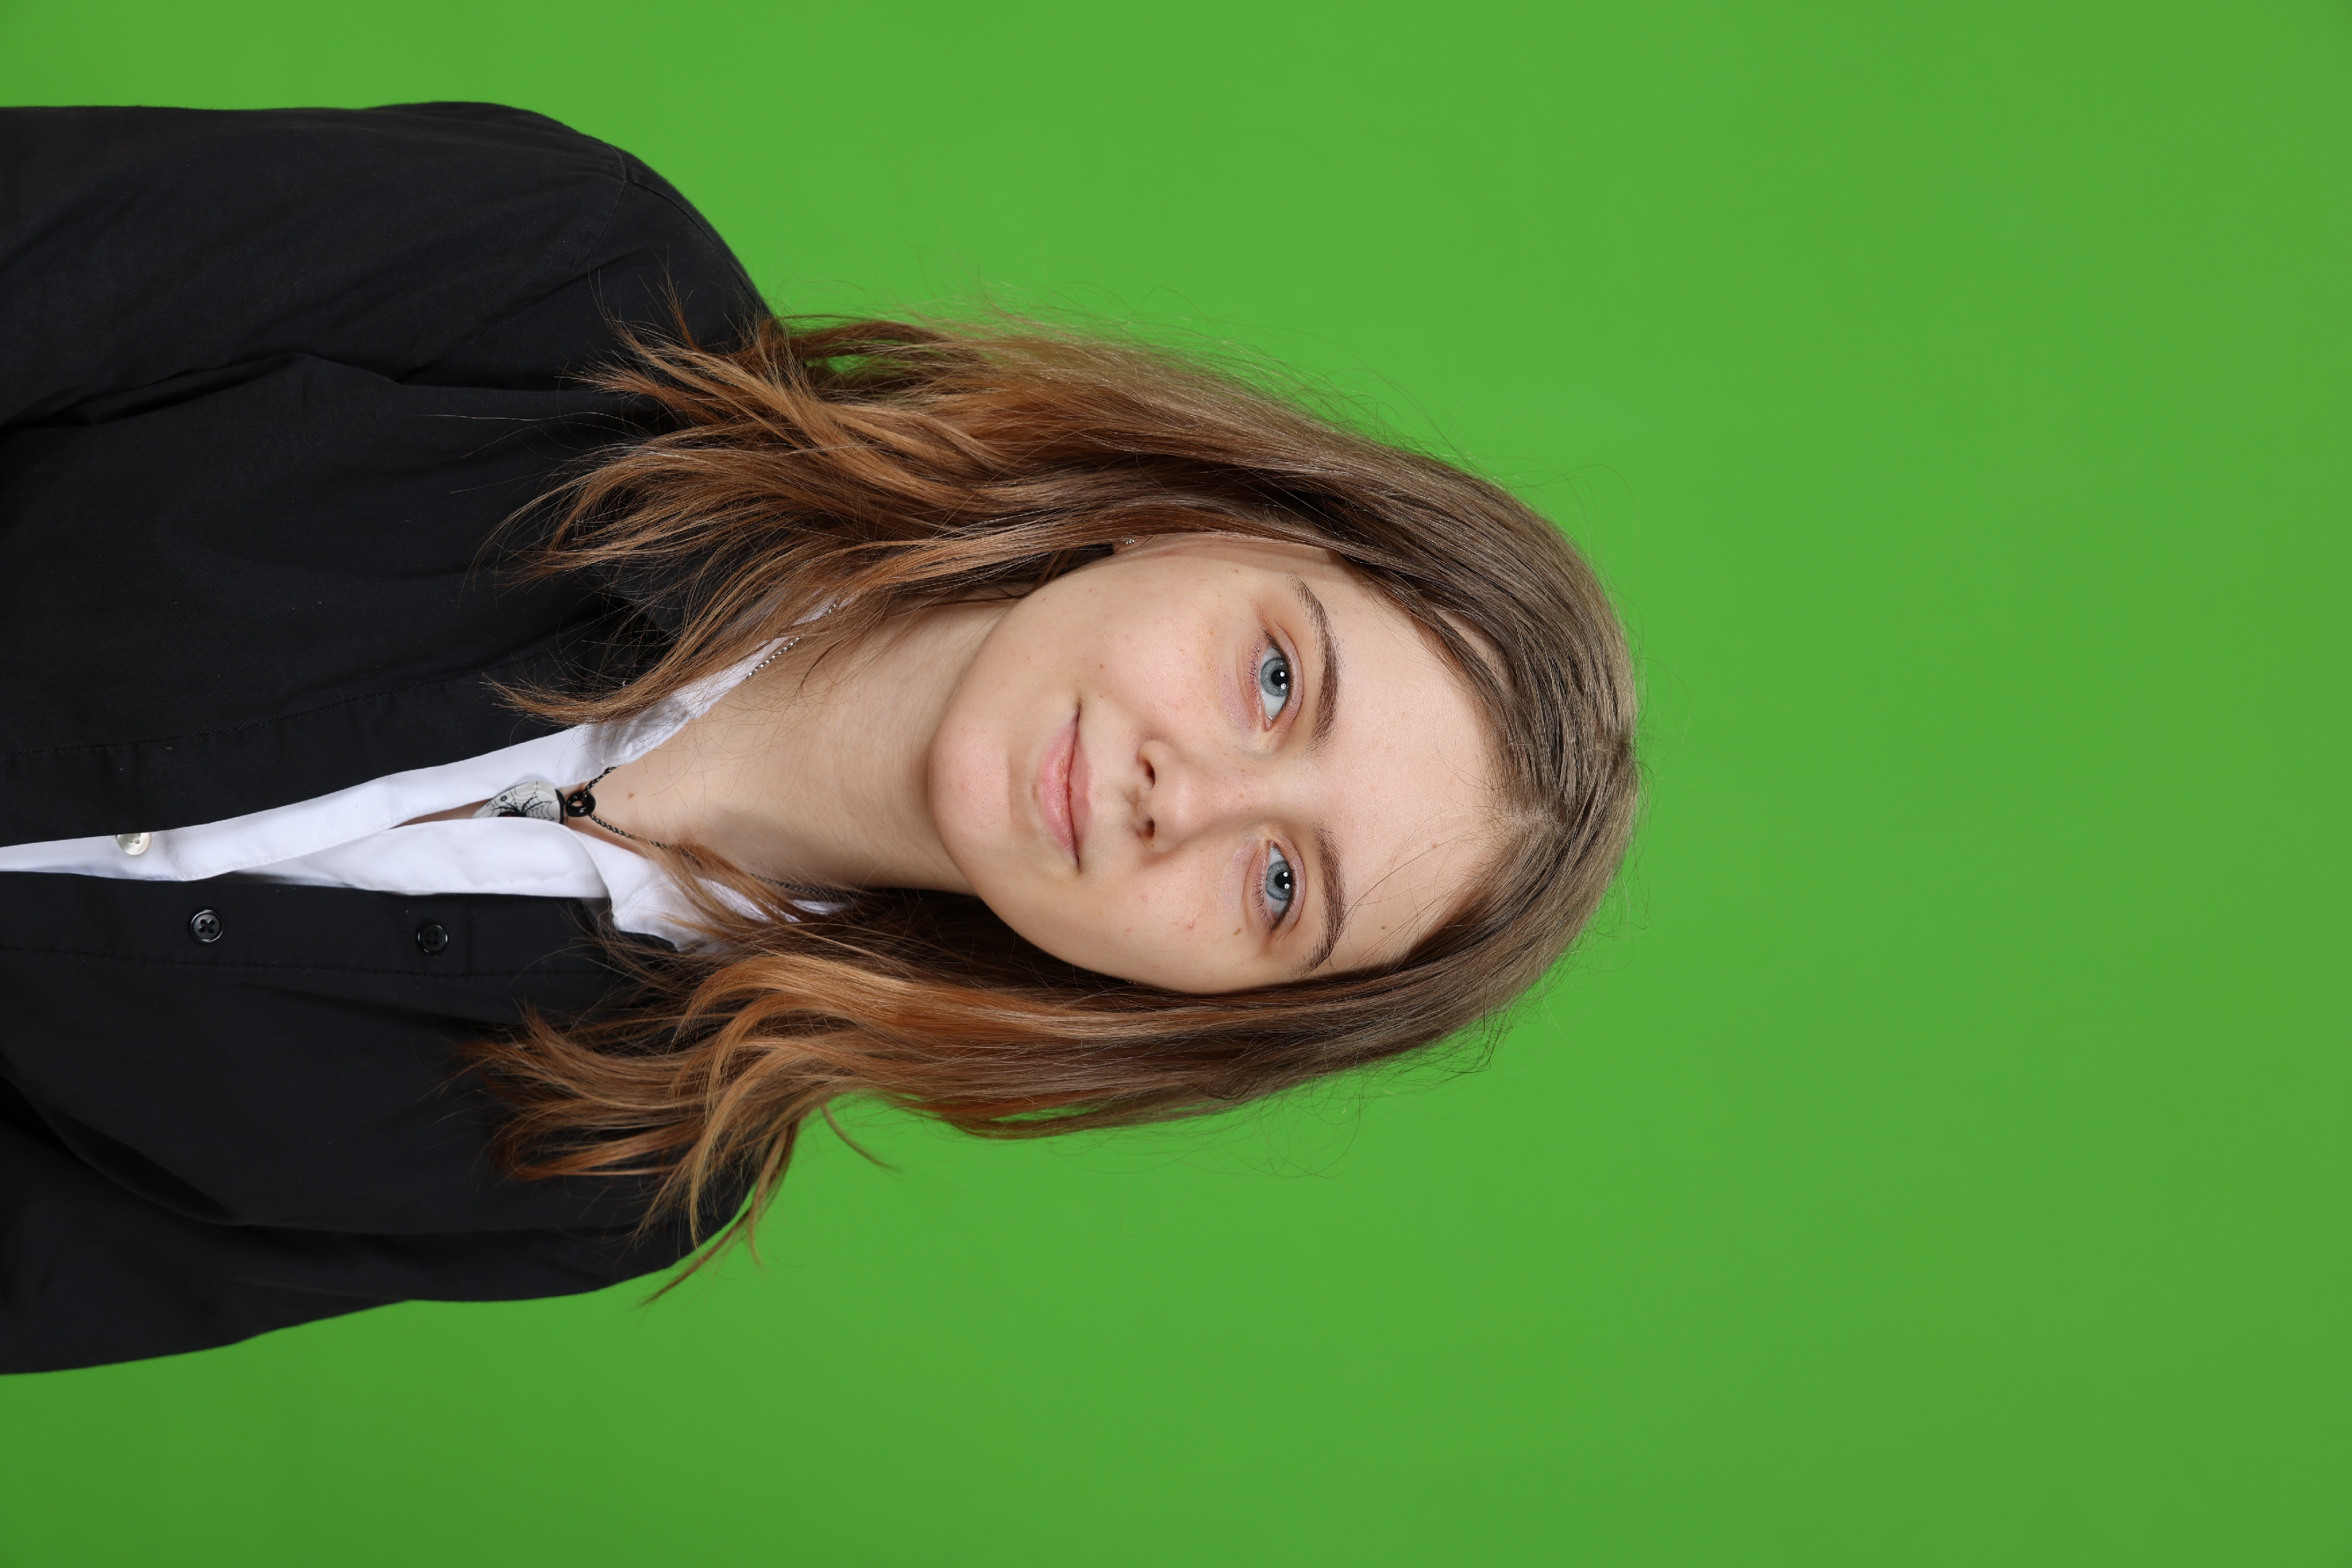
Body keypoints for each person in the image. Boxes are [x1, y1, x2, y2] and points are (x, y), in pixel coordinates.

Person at [0, 102, 1638, 1374]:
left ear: (1201, 1011)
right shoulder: (580, 286)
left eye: (1281, 887)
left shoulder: (628, 1168)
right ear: (1196, 519)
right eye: (1276, 680)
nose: (1186, 795)